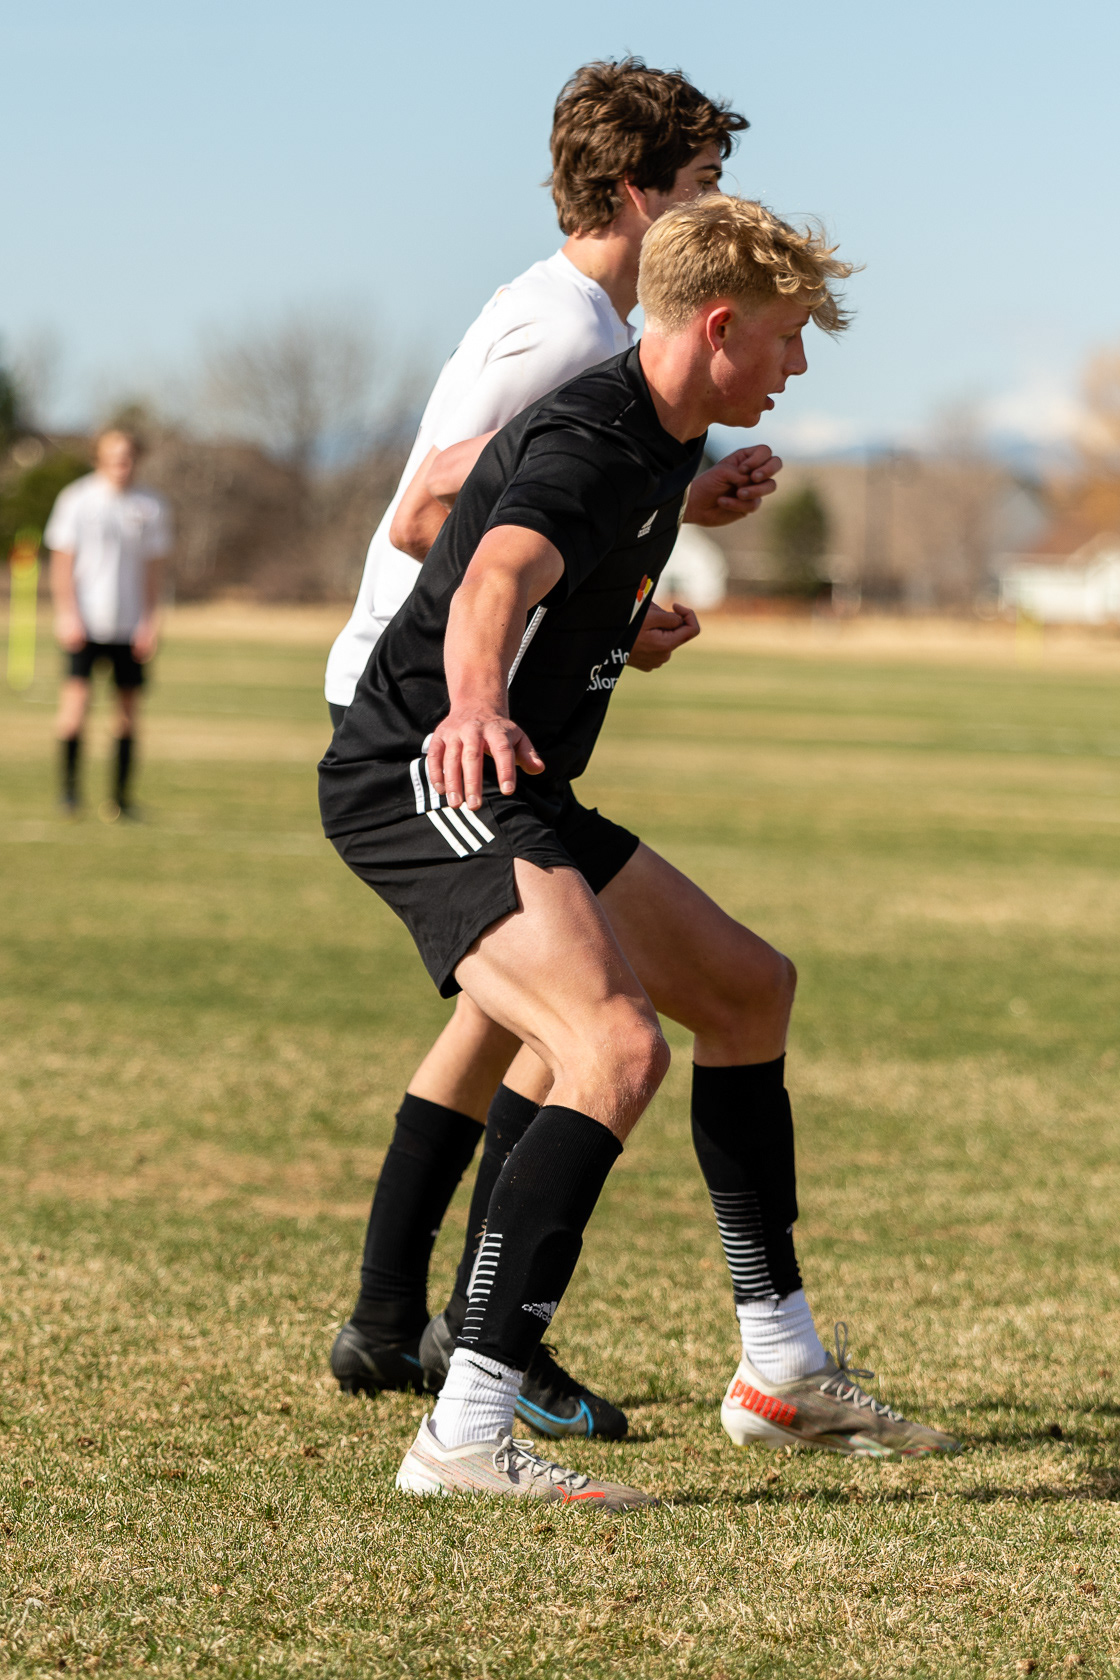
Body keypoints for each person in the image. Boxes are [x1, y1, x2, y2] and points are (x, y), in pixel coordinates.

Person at [320, 195, 960, 1506]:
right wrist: (479, 697)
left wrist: (619, 615)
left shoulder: (667, 434)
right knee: (612, 1048)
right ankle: (464, 1432)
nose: (798, 364)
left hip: (520, 780)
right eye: (787, 336)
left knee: (747, 989)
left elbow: (468, 515)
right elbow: (490, 570)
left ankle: (780, 1369)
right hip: (427, 770)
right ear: (718, 326)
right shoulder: (593, 436)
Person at [327, 60, 783, 1438]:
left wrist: (661, 523)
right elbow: (434, 515)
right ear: (638, 193)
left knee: (516, 1017)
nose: (715, 206)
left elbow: (566, 498)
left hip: (489, 705)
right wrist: (486, 674)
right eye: (701, 183)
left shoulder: (590, 325)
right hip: (436, 709)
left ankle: (398, 1322)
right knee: (580, 1026)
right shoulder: (565, 331)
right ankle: (485, 1352)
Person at [46, 428, 170, 819]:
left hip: (129, 626)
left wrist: (150, 621)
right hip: (85, 623)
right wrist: (67, 614)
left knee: (127, 714)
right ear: (99, 457)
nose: (122, 463)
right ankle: (69, 794)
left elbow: (153, 571)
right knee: (75, 708)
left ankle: (120, 799)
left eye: (128, 455)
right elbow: (62, 563)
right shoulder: (77, 499)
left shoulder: (151, 506)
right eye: (114, 455)